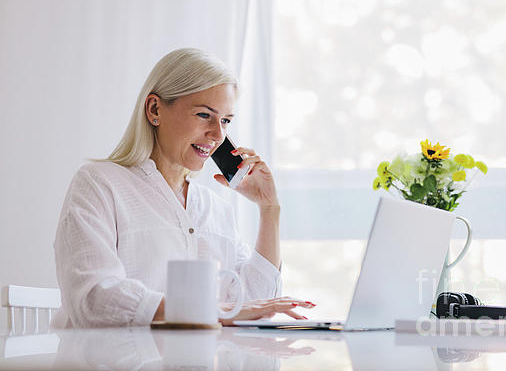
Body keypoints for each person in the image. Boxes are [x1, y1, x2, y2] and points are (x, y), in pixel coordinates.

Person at [52, 48, 314, 328]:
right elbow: (94, 298)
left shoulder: (216, 209)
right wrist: (210, 309)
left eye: (225, 120)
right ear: (155, 110)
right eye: (204, 115)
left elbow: (254, 304)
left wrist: (269, 208)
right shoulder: (99, 184)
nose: (218, 135)